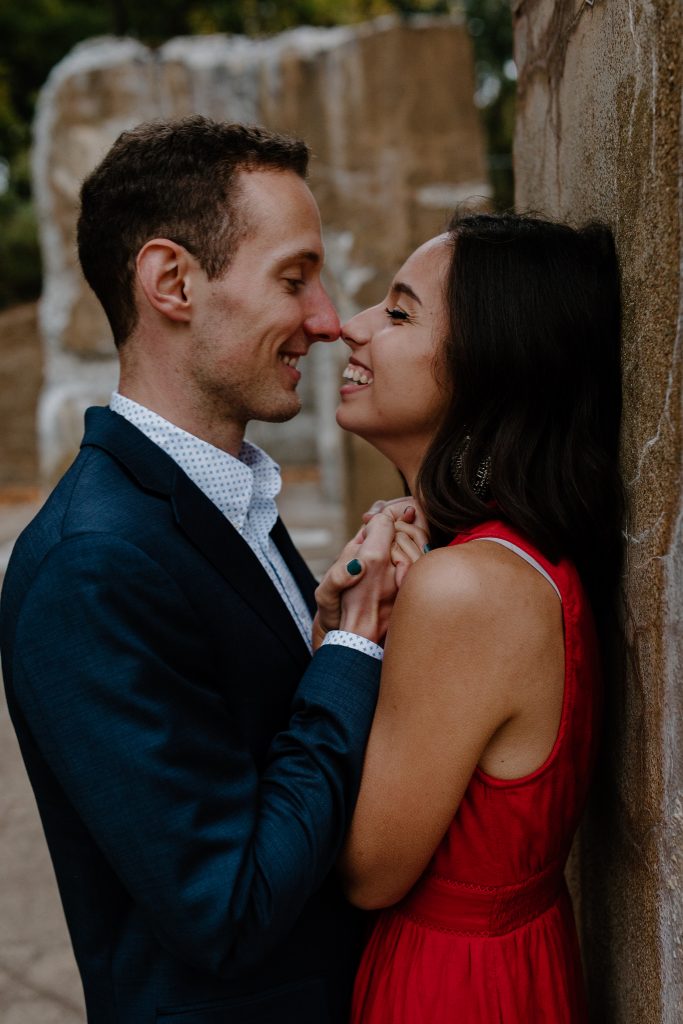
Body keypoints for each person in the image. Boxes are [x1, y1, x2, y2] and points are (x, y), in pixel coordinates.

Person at [0, 116, 411, 1024]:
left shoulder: (218, 498)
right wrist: (347, 653)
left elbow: (254, 733)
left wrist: (324, 631)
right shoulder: (91, 565)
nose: (326, 319)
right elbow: (226, 906)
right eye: (294, 278)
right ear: (171, 282)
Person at [317, 212, 623, 1022]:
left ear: (487, 364)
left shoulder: (466, 589)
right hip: (507, 965)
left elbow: (366, 870)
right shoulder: (500, 558)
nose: (350, 327)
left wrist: (342, 644)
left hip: (451, 986)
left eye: (398, 311)